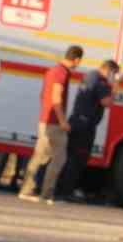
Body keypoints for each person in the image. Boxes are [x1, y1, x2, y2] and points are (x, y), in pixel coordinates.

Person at [19, 45, 83, 203]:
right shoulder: (62, 73)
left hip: (45, 120)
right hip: (54, 124)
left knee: (39, 156)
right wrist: (62, 121)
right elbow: (56, 97)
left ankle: (25, 191)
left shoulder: (51, 71)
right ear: (77, 59)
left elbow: (43, 95)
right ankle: (47, 194)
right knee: (59, 158)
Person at [54, 59, 122, 202]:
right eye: (113, 74)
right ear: (109, 70)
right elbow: (107, 102)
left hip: (77, 121)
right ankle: (65, 192)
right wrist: (116, 86)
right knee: (77, 159)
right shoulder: (100, 81)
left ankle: (60, 189)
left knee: (71, 156)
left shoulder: (90, 75)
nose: (113, 77)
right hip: (85, 125)